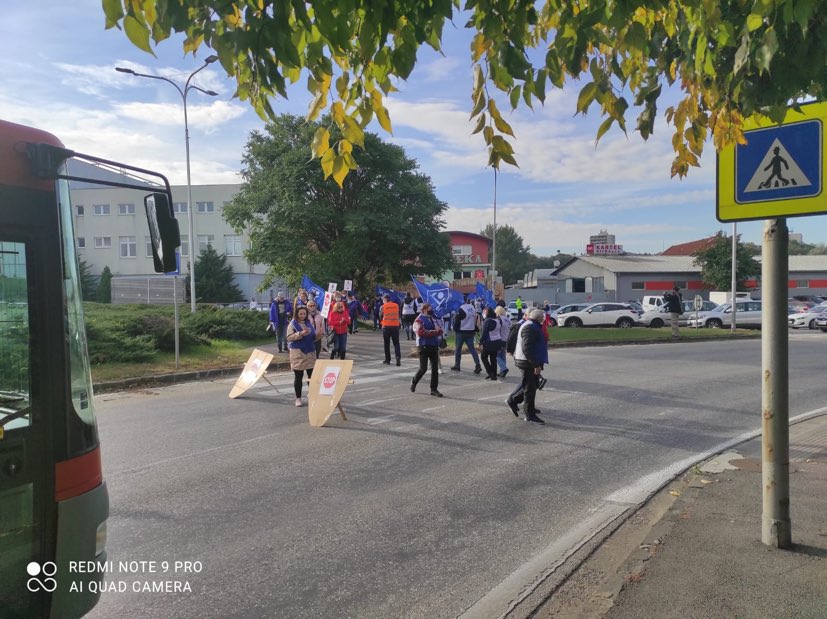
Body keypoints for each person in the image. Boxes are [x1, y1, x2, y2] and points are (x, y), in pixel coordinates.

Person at [506, 308, 546, 424]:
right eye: (542, 318)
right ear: (539, 318)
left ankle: (526, 407)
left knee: (531, 386)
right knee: (529, 388)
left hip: (527, 360)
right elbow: (527, 348)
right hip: (526, 361)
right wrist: (535, 365)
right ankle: (529, 414)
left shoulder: (531, 325)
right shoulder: (530, 327)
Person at [410, 302, 444, 397]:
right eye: (430, 308)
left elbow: (440, 330)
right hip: (423, 346)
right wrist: (435, 332)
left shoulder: (432, 319)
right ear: (425, 309)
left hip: (433, 345)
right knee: (423, 368)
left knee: (435, 368)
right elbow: (421, 332)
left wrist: (438, 331)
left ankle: (434, 389)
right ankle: (414, 381)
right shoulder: (418, 320)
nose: (431, 310)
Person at [286, 306, 316, 407]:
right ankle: (298, 398)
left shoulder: (308, 323)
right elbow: (289, 338)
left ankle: (312, 394)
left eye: (304, 314)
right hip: (298, 353)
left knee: (311, 376)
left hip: (310, 352)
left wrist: (318, 335)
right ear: (297, 314)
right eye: (301, 314)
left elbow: (313, 337)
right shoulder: (292, 324)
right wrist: (300, 334)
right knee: (298, 376)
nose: (303, 316)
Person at [450, 298, 482, 373]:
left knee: (458, 349)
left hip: (461, 331)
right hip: (470, 331)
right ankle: (478, 365)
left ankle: (457, 365)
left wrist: (454, 329)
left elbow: (457, 321)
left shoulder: (461, 309)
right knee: (472, 349)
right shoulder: (472, 308)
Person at [479, 307, 502, 381]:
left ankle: (490, 372)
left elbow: (484, 333)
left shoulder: (487, 321)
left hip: (489, 342)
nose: (484, 313)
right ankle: (494, 375)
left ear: (488, 313)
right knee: (493, 359)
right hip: (497, 341)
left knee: (483, 357)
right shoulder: (498, 320)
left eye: (485, 312)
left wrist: (481, 341)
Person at [379, 293, 402, 366]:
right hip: (395, 326)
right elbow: (399, 314)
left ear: (385, 299)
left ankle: (387, 360)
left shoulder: (383, 307)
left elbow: (380, 316)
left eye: (383, 299)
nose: (382, 301)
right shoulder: (396, 305)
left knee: (386, 343)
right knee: (396, 343)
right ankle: (398, 358)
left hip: (386, 327)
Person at [494, 305, 510, 377]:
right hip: (506, 339)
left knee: (496, 355)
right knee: (503, 355)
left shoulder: (498, 319)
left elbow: (497, 329)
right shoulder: (507, 319)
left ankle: (503, 368)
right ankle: (502, 372)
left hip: (500, 339)